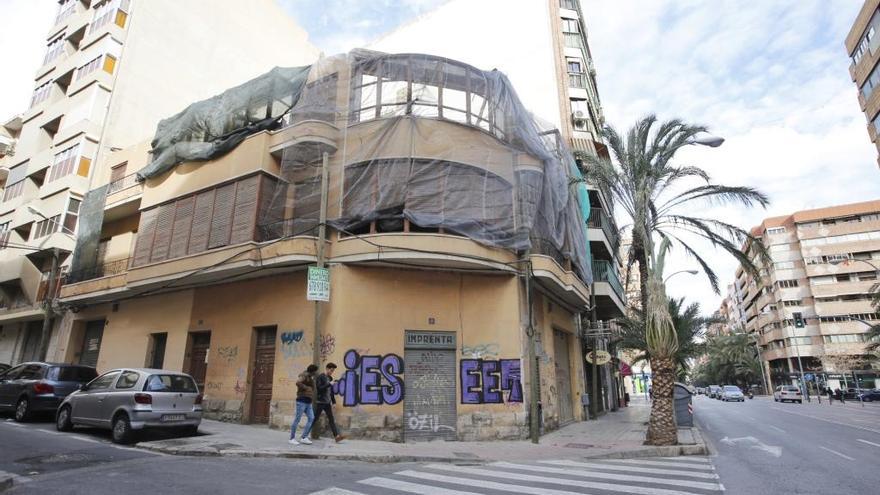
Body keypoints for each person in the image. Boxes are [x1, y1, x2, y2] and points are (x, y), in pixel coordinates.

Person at [313, 362, 346, 442]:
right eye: (331, 370)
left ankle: (336, 437)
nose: (332, 372)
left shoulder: (330, 378)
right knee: (314, 419)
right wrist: (329, 384)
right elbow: (319, 389)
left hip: (327, 403)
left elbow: (331, 392)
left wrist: (333, 402)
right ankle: (304, 435)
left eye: (333, 371)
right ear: (327, 369)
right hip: (320, 402)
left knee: (331, 420)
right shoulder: (320, 377)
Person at [289, 364, 318, 446]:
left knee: (311, 418)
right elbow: (298, 382)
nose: (316, 373)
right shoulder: (304, 375)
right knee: (297, 420)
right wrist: (306, 388)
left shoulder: (310, 377)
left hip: (308, 402)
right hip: (301, 401)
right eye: (315, 372)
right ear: (312, 371)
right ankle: (291, 438)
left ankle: (304, 437)